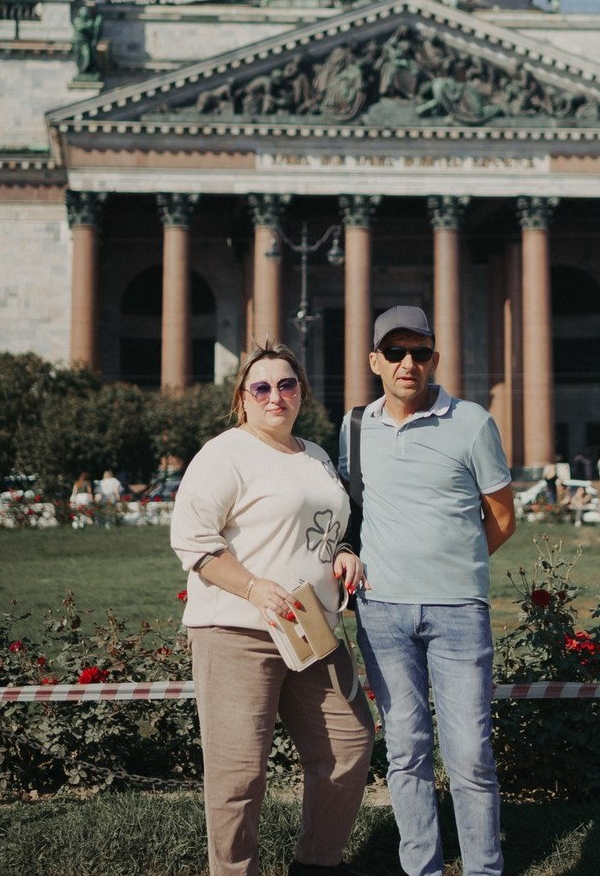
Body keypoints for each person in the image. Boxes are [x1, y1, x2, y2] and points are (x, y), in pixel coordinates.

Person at [171, 343, 374, 876]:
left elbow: (329, 526)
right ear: (243, 397)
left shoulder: (316, 455)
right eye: (261, 387)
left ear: (301, 391)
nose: (275, 396)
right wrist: (253, 587)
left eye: (286, 385)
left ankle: (316, 865)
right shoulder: (225, 453)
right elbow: (192, 539)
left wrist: (346, 551)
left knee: (349, 745)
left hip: (310, 627)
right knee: (238, 773)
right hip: (237, 629)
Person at [340, 306, 516, 876]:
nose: (407, 363)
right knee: (405, 752)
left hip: (458, 611)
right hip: (382, 613)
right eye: (395, 353)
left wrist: (457, 565)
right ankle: (422, 869)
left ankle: (484, 869)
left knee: (470, 756)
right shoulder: (355, 427)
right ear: (375, 361)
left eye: (419, 352)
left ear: (434, 359)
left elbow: (502, 517)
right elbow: (351, 512)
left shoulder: (472, 423)